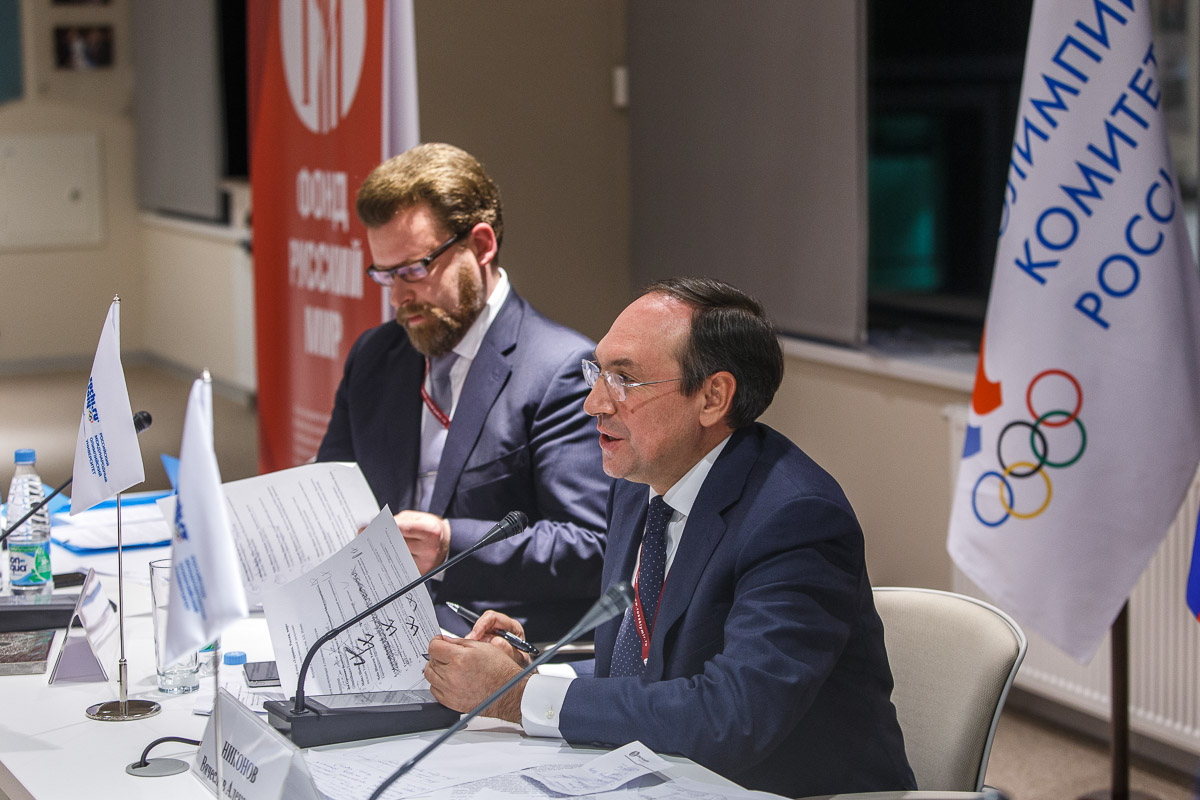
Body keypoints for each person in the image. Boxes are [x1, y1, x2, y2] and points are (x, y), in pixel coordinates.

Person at [424, 277, 916, 797]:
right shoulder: (639, 483)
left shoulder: (797, 519)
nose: (594, 403)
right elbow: (645, 670)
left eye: (624, 380)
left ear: (713, 397)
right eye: (598, 372)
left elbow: (732, 718)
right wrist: (530, 674)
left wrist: (518, 697)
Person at [317, 143, 609, 640]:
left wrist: (451, 547)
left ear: (481, 244)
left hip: (489, 641)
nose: (398, 297)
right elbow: (330, 492)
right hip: (368, 627)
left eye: (414, 270)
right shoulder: (376, 356)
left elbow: (592, 546)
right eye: (384, 275)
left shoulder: (558, 368)